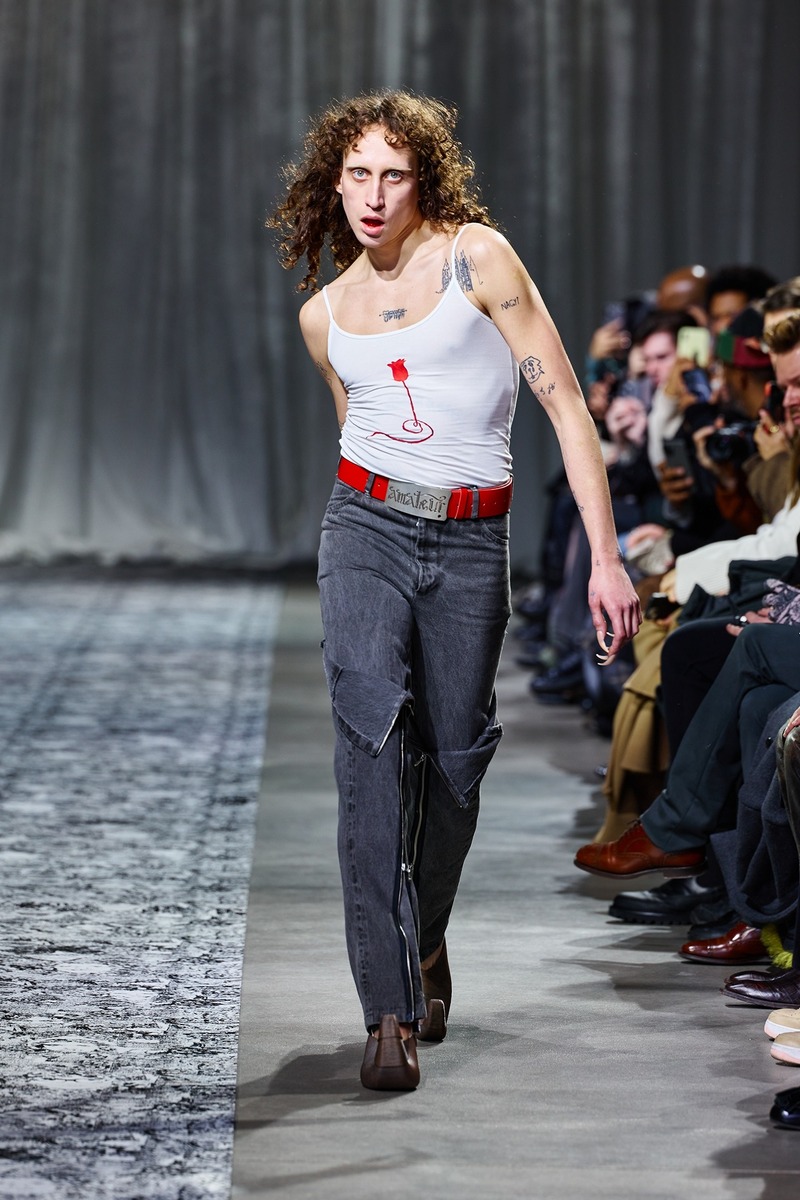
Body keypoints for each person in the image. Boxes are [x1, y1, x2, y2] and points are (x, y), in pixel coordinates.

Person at [269, 90, 641, 1091]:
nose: (373, 195)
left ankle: (423, 934)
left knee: (455, 764)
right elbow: (358, 435)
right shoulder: (323, 318)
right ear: (333, 183)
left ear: (421, 178)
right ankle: (385, 1011)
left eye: (392, 174)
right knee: (369, 749)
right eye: (357, 175)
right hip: (364, 530)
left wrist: (606, 559)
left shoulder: (479, 258)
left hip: (474, 542)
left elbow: (565, 407)